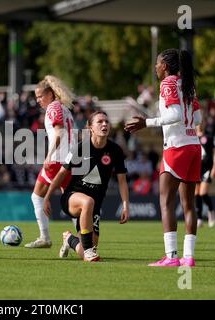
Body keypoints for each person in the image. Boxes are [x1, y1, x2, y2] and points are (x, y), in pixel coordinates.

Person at [124, 48, 202, 267]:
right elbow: (197, 117)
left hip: (176, 147)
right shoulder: (188, 85)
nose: (156, 68)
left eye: (157, 64)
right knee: (189, 204)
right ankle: (188, 257)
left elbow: (175, 115)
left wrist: (146, 122)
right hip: (193, 145)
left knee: (166, 201)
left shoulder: (168, 83)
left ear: (165, 66)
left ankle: (171, 257)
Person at [43, 111, 130, 262]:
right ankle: (89, 249)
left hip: (95, 205)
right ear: (90, 127)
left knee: (87, 252)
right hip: (72, 197)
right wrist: (47, 197)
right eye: (100, 122)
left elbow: (122, 181)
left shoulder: (115, 150)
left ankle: (69, 239)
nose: (104, 124)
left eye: (107, 122)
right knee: (87, 202)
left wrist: (125, 206)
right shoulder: (80, 148)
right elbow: (62, 174)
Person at [24, 75, 76, 249]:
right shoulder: (64, 107)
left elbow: (60, 133)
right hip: (71, 159)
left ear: (51, 94)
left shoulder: (53, 108)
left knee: (36, 196)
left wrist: (49, 155)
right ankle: (85, 241)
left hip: (58, 160)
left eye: (41, 96)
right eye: (36, 97)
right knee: (72, 202)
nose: (38, 100)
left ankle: (45, 237)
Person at [195, 115, 215, 228]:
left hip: (207, 168)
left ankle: (211, 212)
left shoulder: (210, 136)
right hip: (196, 168)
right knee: (196, 194)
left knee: (203, 193)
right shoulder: (191, 137)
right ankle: (199, 218)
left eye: (201, 123)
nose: (199, 125)